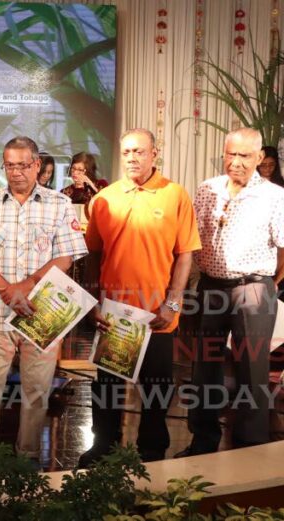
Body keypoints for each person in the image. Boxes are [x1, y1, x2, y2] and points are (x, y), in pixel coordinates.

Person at [76, 129, 200, 467]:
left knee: (156, 387)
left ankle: (153, 448)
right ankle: (104, 445)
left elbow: (186, 253)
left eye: (140, 152)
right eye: (127, 151)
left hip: (158, 314)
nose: (133, 158)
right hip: (115, 314)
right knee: (108, 387)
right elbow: (92, 256)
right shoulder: (104, 199)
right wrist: (94, 302)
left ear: (154, 155)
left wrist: (173, 302)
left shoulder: (175, 195)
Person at [0, 136, 88, 475]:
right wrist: (7, 290)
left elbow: (66, 255)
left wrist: (27, 285)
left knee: (36, 388)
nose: (16, 172)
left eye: (23, 164)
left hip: (42, 311)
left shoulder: (58, 204)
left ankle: (29, 455)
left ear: (37, 165)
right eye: (9, 165)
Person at [178, 128, 284, 456]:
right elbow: (194, 239)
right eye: (231, 154)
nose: (235, 162)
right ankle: (202, 441)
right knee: (205, 367)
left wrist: (271, 284)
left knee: (251, 369)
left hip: (253, 286)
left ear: (259, 159)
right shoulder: (207, 188)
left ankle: (250, 447)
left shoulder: (274, 195)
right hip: (211, 285)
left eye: (244, 156)